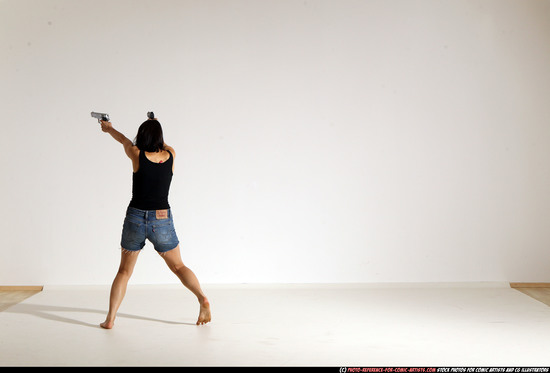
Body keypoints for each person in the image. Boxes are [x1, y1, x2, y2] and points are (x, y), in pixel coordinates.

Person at [98, 116, 211, 329]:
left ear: (141, 136)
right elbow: (164, 145)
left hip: (136, 218)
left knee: (124, 272)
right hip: (162, 219)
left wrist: (108, 128)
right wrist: (156, 123)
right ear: (160, 137)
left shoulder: (136, 154)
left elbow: (123, 139)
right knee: (178, 266)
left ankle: (110, 319)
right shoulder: (171, 155)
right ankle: (201, 297)